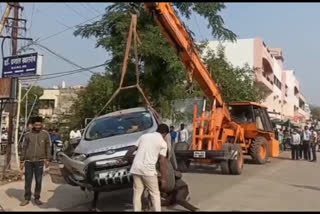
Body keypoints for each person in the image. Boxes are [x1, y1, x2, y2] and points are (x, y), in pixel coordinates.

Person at [124, 123, 169, 212]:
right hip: (148, 171)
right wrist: (164, 179)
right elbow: (162, 162)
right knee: (155, 194)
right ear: (164, 133)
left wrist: (124, 158)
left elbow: (132, 149)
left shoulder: (144, 136)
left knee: (137, 193)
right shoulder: (163, 143)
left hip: (136, 169)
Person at [20, 116, 51, 206]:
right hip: (29, 161)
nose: (38, 126)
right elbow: (24, 147)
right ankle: (27, 198)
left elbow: (48, 147)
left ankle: (37, 198)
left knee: (38, 180)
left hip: (40, 160)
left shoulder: (45, 134)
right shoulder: (27, 134)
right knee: (28, 180)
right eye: (36, 124)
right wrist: (22, 160)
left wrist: (48, 159)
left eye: (39, 124)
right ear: (32, 125)